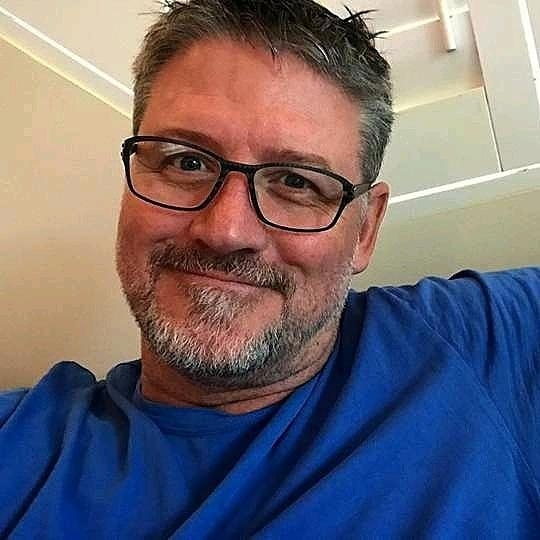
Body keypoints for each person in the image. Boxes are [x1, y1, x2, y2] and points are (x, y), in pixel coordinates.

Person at [1, 0, 539, 537]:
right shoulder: (20, 450)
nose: (226, 231)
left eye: (296, 182)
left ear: (365, 231)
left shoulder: (485, 343)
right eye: (187, 161)